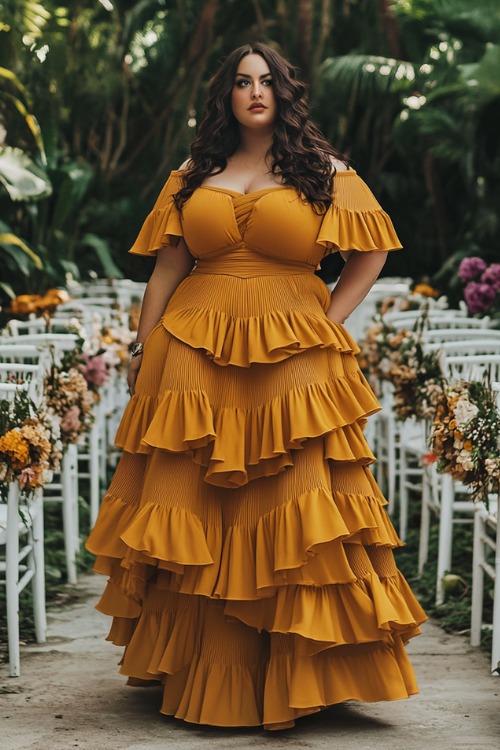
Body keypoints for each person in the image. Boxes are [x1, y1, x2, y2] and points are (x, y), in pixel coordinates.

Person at [86, 42, 426, 731]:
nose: (255, 92)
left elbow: (374, 251)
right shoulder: (192, 172)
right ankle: (205, 671)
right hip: (193, 349)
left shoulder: (322, 170)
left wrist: (329, 319)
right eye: (242, 82)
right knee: (195, 503)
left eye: (267, 80)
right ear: (227, 96)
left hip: (293, 349)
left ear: (285, 92)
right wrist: (145, 344)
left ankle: (298, 672)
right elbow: (165, 270)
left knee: (296, 501)